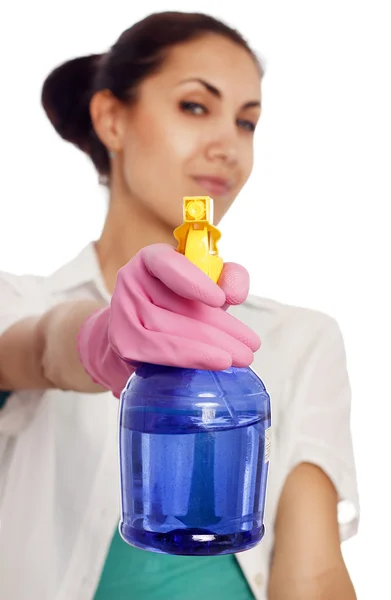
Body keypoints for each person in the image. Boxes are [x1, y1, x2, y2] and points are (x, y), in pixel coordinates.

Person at [0, 11, 359, 600]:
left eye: (247, 122)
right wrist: (96, 339)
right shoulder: (20, 300)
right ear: (112, 119)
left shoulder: (299, 339)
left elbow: (312, 576)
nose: (228, 147)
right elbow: (35, 349)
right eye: (195, 107)